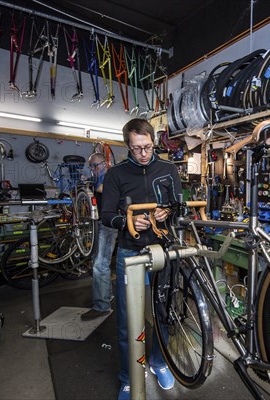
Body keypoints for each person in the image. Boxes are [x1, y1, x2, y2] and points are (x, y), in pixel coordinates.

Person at [100, 119, 181, 399]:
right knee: (127, 319)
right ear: (128, 147)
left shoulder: (169, 170)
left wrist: (167, 213)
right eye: (136, 149)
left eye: (147, 147)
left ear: (154, 141)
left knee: (163, 313)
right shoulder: (115, 174)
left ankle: (158, 362)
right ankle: (129, 375)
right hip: (130, 252)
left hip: (163, 249)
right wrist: (128, 221)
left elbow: (179, 206)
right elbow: (106, 215)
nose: (143, 154)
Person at [81, 152, 118, 321]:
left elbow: (103, 189)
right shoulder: (100, 175)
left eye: (94, 166)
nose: (92, 170)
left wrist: (92, 182)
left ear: (103, 164)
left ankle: (101, 306)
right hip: (102, 223)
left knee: (99, 264)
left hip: (108, 225)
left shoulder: (109, 174)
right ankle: (107, 295)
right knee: (101, 262)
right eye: (91, 167)